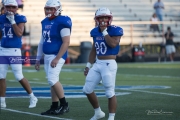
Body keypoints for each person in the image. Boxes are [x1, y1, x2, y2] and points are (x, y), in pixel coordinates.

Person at [83, 7, 123, 120]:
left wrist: (105, 31)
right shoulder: (94, 31)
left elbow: (113, 44)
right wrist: (88, 65)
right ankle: (98, 112)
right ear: (97, 19)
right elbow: (94, 50)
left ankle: (111, 117)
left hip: (109, 64)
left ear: (110, 18)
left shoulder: (115, 30)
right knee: (87, 89)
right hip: (98, 63)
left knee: (109, 92)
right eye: (101, 18)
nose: (103, 20)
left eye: (105, 17)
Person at [35, 0, 72, 115]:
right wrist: (37, 58)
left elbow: (66, 42)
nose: (48, 11)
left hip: (57, 55)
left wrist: (57, 58)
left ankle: (64, 105)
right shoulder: (44, 22)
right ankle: (54, 106)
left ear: (58, 10)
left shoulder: (62, 21)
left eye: (51, 9)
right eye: (47, 9)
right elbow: (41, 42)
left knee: (52, 79)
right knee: (52, 82)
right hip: (47, 56)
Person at [0, 0, 37, 108]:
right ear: (4, 7)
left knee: (18, 76)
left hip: (14, 51)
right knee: (1, 76)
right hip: (2, 50)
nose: (10, 9)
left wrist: (12, 21)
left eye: (13, 7)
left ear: (16, 8)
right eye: (8, 7)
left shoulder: (20, 18)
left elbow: (19, 33)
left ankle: (32, 97)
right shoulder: (1, 18)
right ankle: (2, 101)